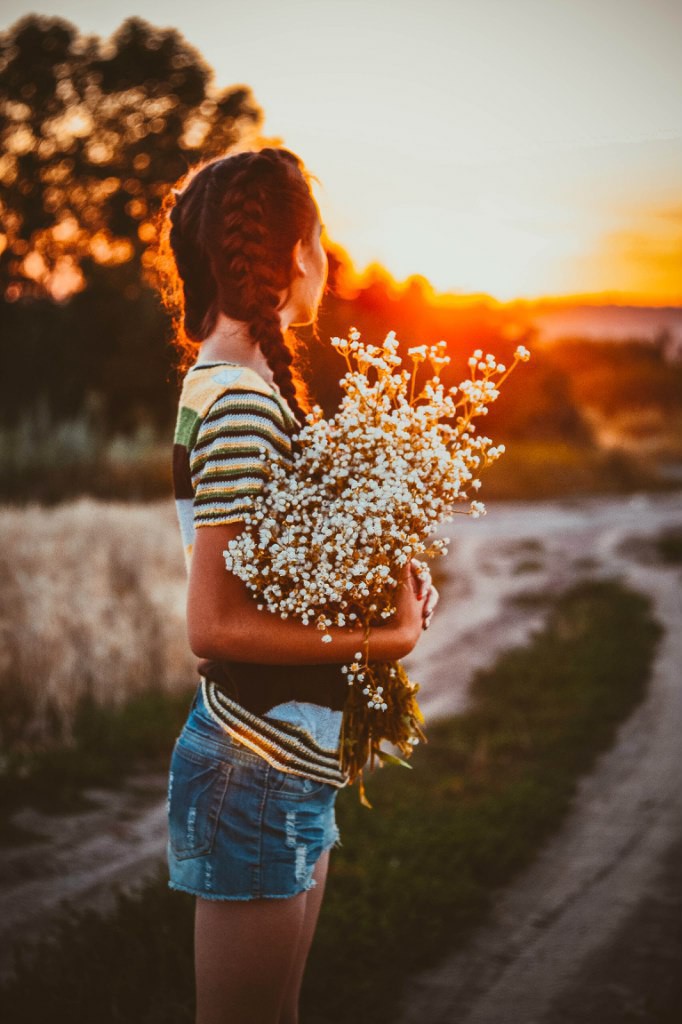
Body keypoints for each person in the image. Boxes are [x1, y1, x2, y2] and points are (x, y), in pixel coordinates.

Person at [160, 146, 438, 1024]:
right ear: (290, 258)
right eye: (321, 238)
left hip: (278, 762)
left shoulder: (231, 385)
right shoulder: (242, 397)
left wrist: (374, 569)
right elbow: (215, 623)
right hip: (257, 764)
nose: (332, 258)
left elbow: (272, 573)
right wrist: (382, 640)